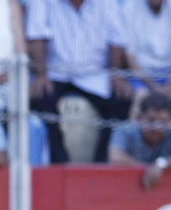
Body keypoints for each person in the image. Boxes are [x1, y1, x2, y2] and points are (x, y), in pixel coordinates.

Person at [25, 0, 129, 163]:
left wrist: (115, 74)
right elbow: (36, 36)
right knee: (40, 96)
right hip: (55, 72)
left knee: (122, 98)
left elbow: (116, 38)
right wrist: (40, 73)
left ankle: (102, 163)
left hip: (94, 74)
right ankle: (59, 162)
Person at [108, 91, 171, 188]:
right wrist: (149, 169)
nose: (156, 127)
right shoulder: (125, 130)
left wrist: (162, 164)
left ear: (170, 120)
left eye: (162, 122)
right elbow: (115, 158)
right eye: (151, 120)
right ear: (139, 118)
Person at [121, 0, 171, 126]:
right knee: (141, 95)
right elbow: (130, 57)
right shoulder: (128, 9)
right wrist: (153, 86)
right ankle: (132, 142)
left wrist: (170, 84)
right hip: (142, 74)